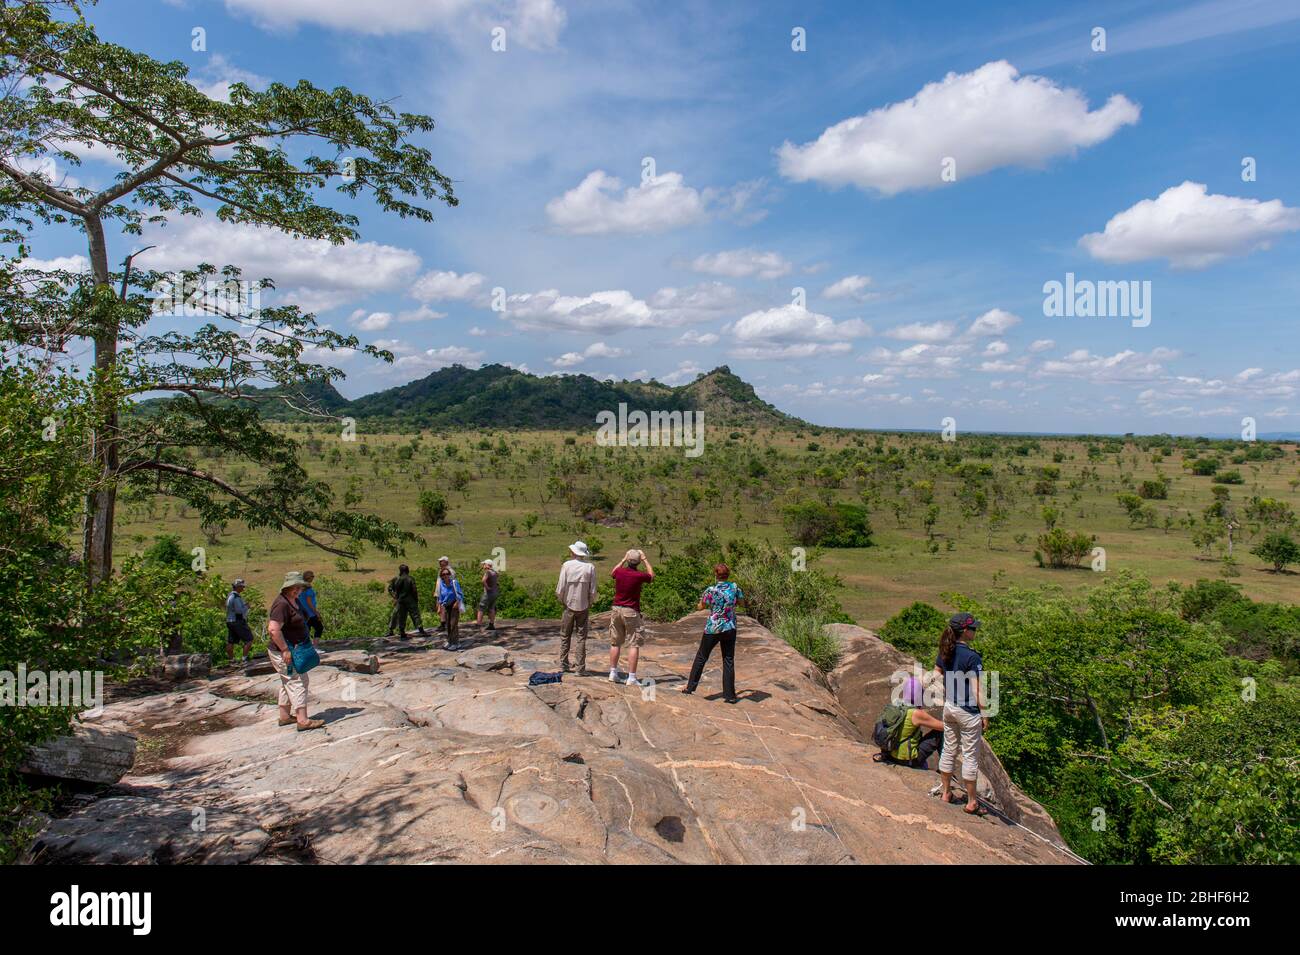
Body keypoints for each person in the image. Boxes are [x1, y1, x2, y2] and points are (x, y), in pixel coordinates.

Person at [935, 612, 989, 816]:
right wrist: (986, 714)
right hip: (968, 711)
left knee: (948, 749)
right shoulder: (971, 656)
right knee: (970, 756)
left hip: (950, 707)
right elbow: (977, 690)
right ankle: (972, 802)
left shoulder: (946, 650)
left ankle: (946, 792)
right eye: (973, 628)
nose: (975, 630)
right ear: (965, 631)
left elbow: (936, 672)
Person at [267, 571, 324, 732]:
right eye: (297, 587)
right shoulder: (282, 604)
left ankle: (285, 716)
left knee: (289, 681)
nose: (299, 590)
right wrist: (285, 649)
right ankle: (303, 720)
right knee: (297, 681)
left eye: (300, 587)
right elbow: (273, 629)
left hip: (293, 648)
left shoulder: (294, 600)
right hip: (284, 651)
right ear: (289, 587)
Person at [683, 564, 748, 703]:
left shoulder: (711, 590)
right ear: (728, 575)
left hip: (713, 628)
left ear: (716, 575)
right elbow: (742, 603)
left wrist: (702, 601)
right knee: (728, 659)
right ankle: (730, 696)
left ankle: (690, 687)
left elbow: (700, 607)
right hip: (730, 627)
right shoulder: (735, 587)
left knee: (702, 656)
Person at [875, 676, 945, 767]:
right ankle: (944, 767)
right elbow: (942, 726)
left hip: (889, 755)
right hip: (907, 761)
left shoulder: (895, 705)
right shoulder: (916, 713)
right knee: (939, 733)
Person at [608, 549, 653, 686]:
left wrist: (623, 559)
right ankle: (631, 678)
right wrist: (645, 559)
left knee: (615, 642)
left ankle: (613, 673)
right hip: (631, 611)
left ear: (628, 560)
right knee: (634, 643)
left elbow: (612, 573)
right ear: (638, 562)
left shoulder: (620, 572)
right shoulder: (639, 575)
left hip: (616, 609)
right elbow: (651, 575)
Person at [555, 541, 597, 675]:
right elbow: (593, 590)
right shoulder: (590, 567)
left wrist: (562, 601)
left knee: (565, 636)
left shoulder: (567, 565)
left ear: (573, 552)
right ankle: (580, 668)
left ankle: (563, 665)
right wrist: (589, 602)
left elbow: (560, 588)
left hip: (568, 605)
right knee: (581, 638)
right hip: (583, 606)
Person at [386, 564, 427, 639]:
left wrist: (395, 596)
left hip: (400, 600)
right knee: (415, 614)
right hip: (410, 600)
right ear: (407, 570)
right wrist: (416, 599)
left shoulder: (397, 579)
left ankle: (401, 632)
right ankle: (421, 630)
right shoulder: (410, 578)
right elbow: (414, 590)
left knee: (400, 615)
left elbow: (390, 589)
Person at [224, 578, 254, 665]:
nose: (243, 588)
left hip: (230, 621)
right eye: (242, 587)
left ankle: (231, 660)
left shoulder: (230, 596)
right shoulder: (236, 597)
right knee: (249, 639)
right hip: (237, 621)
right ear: (238, 587)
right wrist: (247, 607)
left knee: (231, 641)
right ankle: (244, 659)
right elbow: (239, 611)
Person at [436, 567, 466, 651]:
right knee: (447, 624)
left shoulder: (454, 582)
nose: (445, 575)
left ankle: (456, 643)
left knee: (453, 624)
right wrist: (440, 606)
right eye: (443, 574)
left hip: (454, 604)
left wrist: (457, 602)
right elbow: (440, 596)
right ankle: (450, 641)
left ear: (449, 575)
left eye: (447, 574)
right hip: (446, 605)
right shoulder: (441, 584)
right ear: (441, 576)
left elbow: (459, 593)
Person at [299, 570, 323, 642]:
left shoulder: (301, 588)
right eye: (312, 576)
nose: (313, 577)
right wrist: (317, 613)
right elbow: (309, 603)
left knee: (306, 631)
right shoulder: (308, 589)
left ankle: (307, 648)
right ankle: (314, 647)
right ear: (309, 578)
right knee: (319, 628)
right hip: (311, 614)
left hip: (303, 613)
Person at [435, 556, 458, 632]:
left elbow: (452, 584)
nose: (440, 562)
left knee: (444, 609)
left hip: (448, 595)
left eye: (441, 561)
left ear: (446, 562)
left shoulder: (450, 571)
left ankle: (444, 624)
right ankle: (443, 623)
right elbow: (439, 582)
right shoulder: (441, 570)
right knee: (440, 608)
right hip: (441, 593)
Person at [476, 559, 499, 631]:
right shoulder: (495, 572)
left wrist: (487, 587)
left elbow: (483, 580)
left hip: (488, 593)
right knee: (492, 608)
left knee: (481, 607)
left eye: (484, 564)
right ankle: (491, 624)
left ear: (488, 565)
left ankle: (478, 625)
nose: (483, 566)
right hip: (495, 592)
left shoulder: (488, 572)